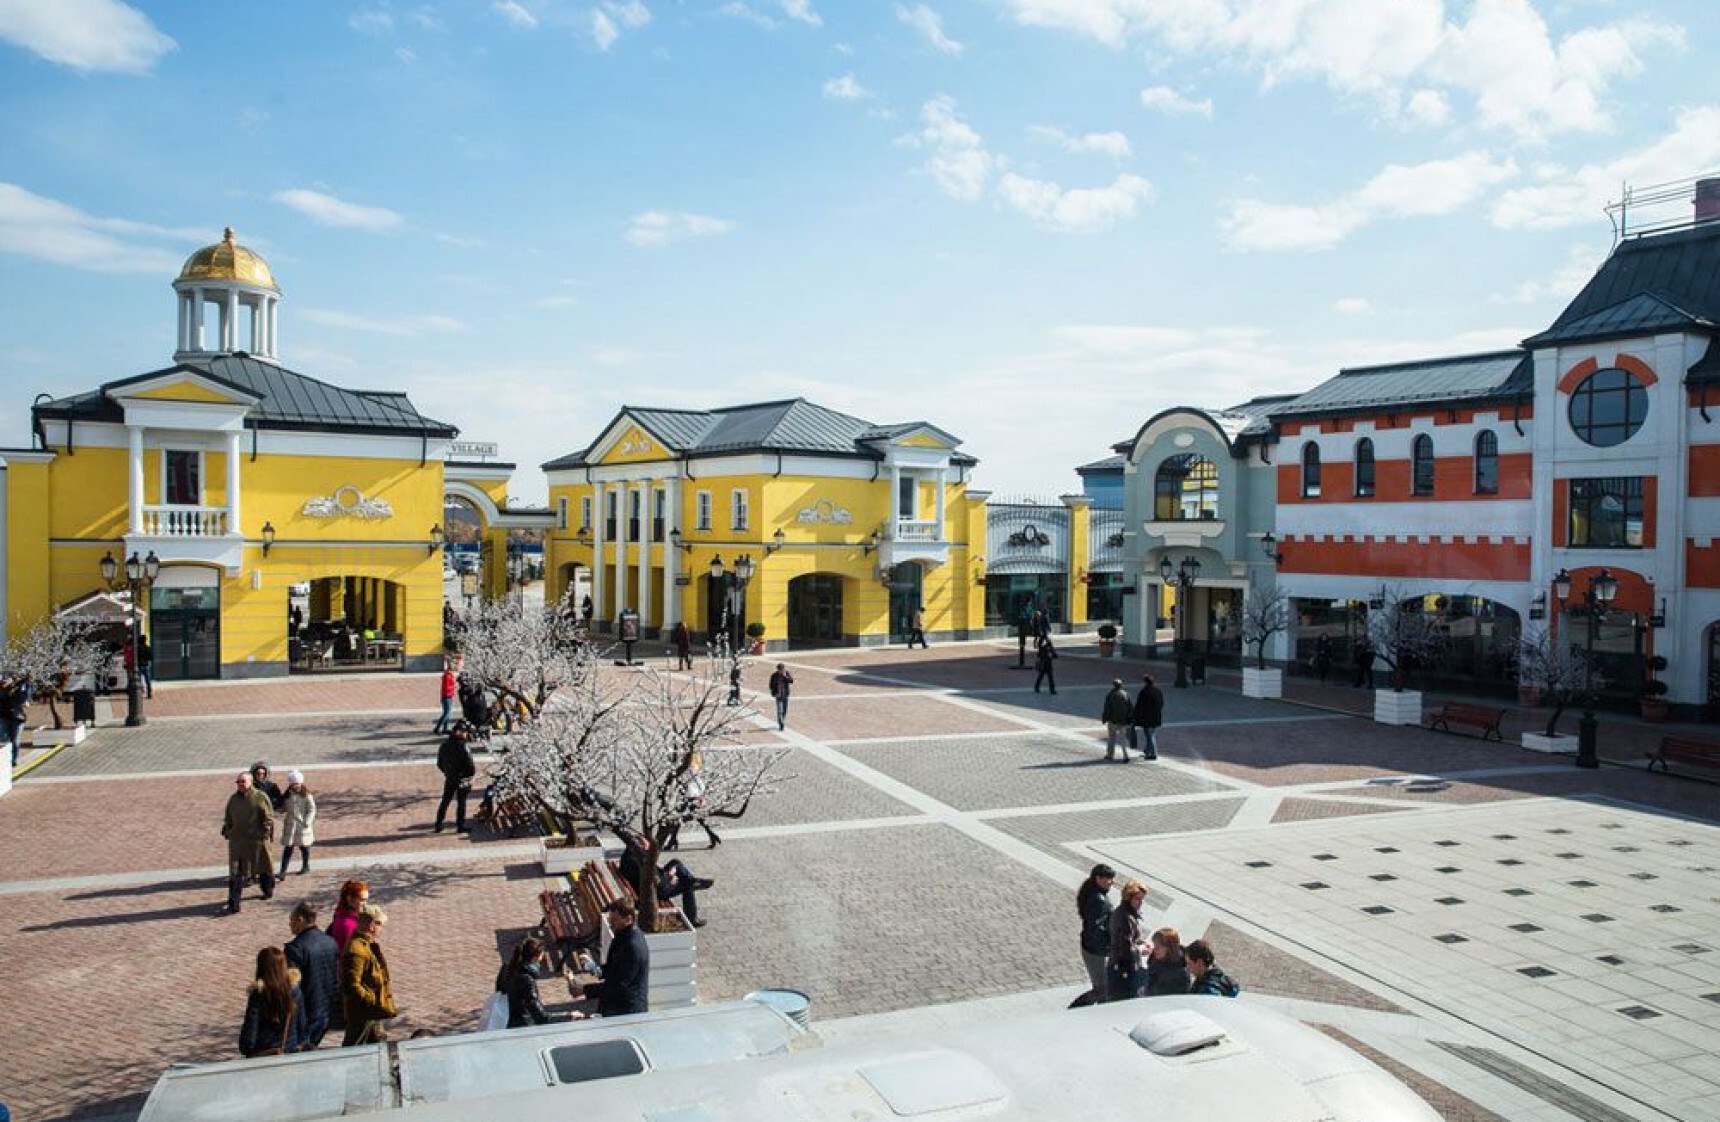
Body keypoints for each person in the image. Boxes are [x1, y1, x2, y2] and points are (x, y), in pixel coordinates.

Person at [618, 830, 711, 928]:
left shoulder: (628, 856)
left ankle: (692, 880)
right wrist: (670, 880)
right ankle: (692, 918)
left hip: (648, 884)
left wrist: (669, 872)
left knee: (676, 863)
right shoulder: (641, 861)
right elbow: (657, 883)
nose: (648, 845)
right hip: (655, 892)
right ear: (639, 846)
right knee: (687, 886)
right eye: (645, 843)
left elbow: (654, 874)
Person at [284, 901, 340, 1048]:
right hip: (327, 1009)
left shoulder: (295, 949)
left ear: (300, 919)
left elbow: (292, 986)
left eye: (292, 920)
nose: (290, 924)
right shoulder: (330, 942)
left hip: (306, 1013)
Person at [340, 904, 397, 1046]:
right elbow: (351, 985)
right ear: (371, 926)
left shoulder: (365, 944)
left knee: (377, 1046)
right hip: (363, 1014)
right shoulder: (357, 950)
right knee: (355, 1049)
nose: (381, 928)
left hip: (370, 1013)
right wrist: (371, 1000)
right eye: (380, 924)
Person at [220, 772, 276, 915]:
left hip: (257, 841)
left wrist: (264, 833)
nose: (240, 784)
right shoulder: (233, 799)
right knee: (236, 873)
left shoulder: (260, 797)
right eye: (238, 782)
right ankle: (234, 903)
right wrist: (228, 830)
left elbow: (269, 818)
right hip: (238, 843)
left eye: (243, 781)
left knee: (263, 867)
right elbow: (228, 817)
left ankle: (267, 889)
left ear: (250, 782)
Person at [239, 947, 307, 1057]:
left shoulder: (259, 995)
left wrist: (248, 1050)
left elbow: (249, 1035)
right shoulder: (295, 992)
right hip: (290, 1052)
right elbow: (302, 1030)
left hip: (264, 1053)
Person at [1071, 864, 1116, 1007]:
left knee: (1103, 987)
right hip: (1095, 951)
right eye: (1109, 878)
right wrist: (1108, 943)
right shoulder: (1099, 900)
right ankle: (1077, 1007)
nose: (1112, 882)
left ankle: (1102, 1009)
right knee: (1101, 988)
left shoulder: (1093, 893)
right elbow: (1096, 928)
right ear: (1098, 879)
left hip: (1090, 947)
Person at [597, 900, 649, 1017]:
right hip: (620, 1005)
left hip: (627, 1010)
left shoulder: (632, 945)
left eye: (614, 920)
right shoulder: (624, 935)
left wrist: (584, 990)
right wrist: (598, 970)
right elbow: (614, 967)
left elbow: (619, 984)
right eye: (610, 920)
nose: (610, 924)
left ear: (628, 919)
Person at [496, 936, 559, 1027]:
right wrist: (569, 1016)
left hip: (507, 1020)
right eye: (542, 955)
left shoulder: (507, 970)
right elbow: (540, 1017)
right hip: (522, 1025)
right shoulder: (526, 980)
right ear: (535, 958)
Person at [664, 751, 720, 850]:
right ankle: (711, 835)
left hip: (690, 791)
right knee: (690, 814)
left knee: (680, 814)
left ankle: (673, 840)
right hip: (692, 790)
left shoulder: (689, 760)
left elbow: (687, 774)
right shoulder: (692, 757)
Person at [1106, 879, 1150, 1002]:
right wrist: (1141, 949)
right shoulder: (1123, 917)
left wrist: (1142, 942)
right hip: (1121, 968)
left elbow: (1131, 938)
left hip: (1125, 966)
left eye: (1142, 899)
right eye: (1137, 899)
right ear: (1128, 898)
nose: (1140, 903)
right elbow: (1125, 948)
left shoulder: (1129, 913)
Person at [434, 721, 476, 834]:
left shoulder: (444, 745)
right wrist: (469, 775)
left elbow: (439, 763)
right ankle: (460, 825)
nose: (466, 734)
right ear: (459, 732)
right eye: (465, 732)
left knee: (445, 800)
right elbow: (470, 765)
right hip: (462, 778)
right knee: (461, 802)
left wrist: (447, 772)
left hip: (450, 777)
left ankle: (438, 823)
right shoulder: (463, 746)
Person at [278, 770, 316, 877]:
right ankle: (283, 871)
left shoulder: (307, 795)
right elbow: (284, 808)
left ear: (301, 783)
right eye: (293, 783)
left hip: (302, 825)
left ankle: (305, 866)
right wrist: (277, 809)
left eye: (297, 783)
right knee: (288, 848)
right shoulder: (287, 795)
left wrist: (307, 821)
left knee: (304, 847)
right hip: (290, 825)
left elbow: (312, 809)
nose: (295, 786)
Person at [1144, 927, 1191, 997]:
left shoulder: (1181, 972)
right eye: (1155, 945)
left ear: (1169, 948)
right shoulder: (1156, 959)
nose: (1155, 949)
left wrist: (1147, 993)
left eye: (1158, 947)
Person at [329, 880, 369, 952]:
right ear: (350, 898)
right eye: (362, 900)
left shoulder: (341, 913)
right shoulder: (348, 924)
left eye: (366, 900)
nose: (365, 904)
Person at [1132, 674, 1164, 761]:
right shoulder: (1158, 691)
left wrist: (1135, 716)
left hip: (1147, 718)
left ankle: (1153, 754)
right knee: (1151, 734)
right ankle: (1147, 750)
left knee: (1150, 736)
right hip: (1156, 717)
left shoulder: (1144, 692)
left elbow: (1139, 706)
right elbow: (1161, 703)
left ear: (1146, 682)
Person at [1100, 679, 1134, 761]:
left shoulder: (1110, 694)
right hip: (1123, 721)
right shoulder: (1126, 694)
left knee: (1111, 738)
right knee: (1123, 739)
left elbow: (1107, 708)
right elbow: (1130, 708)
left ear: (1113, 685)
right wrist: (1130, 719)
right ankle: (1126, 755)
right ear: (1121, 685)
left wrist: (1104, 718)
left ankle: (1110, 755)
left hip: (1112, 720)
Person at [0, 676, 29, 770]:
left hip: (17, 718)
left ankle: (14, 759)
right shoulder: (2, 691)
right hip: (4, 717)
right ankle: (5, 759)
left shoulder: (18, 689)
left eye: (7, 680)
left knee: (15, 741)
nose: (4, 682)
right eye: (3, 681)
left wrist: (18, 687)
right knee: (3, 739)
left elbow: (22, 698)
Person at [433, 661, 457, 734]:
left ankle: (445, 728)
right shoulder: (447, 676)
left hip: (449, 696)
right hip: (447, 696)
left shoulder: (449, 675)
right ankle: (437, 728)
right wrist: (454, 686)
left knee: (448, 713)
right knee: (446, 713)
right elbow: (447, 687)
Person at [768, 663, 794, 730]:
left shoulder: (786, 673)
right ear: (778, 669)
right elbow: (770, 685)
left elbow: (791, 681)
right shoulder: (774, 675)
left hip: (785, 695)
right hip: (778, 695)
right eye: (780, 670)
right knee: (780, 710)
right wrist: (774, 693)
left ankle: (782, 720)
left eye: (782, 669)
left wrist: (785, 677)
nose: (781, 671)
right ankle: (781, 723)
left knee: (784, 710)